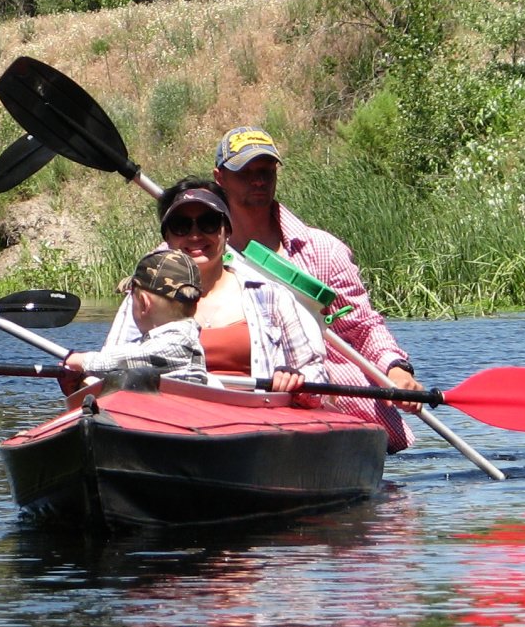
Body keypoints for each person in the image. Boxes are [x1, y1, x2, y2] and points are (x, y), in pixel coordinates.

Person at [214, 127, 416, 448]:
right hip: (236, 395)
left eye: (266, 171)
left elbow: (362, 327)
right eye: (246, 172)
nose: (258, 181)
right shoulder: (196, 251)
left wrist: (395, 369)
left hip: (322, 398)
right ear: (220, 178)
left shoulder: (323, 250)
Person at [128, 178, 326, 394]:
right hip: (169, 418)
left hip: (252, 418)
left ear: (227, 230)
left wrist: (294, 380)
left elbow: (315, 373)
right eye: (181, 226)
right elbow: (112, 365)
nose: (195, 235)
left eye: (209, 222)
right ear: (167, 237)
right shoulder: (142, 296)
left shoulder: (271, 296)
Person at [62, 248, 209, 384]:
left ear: (144, 303)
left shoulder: (178, 343)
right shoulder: (169, 341)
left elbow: (124, 361)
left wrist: (81, 360)